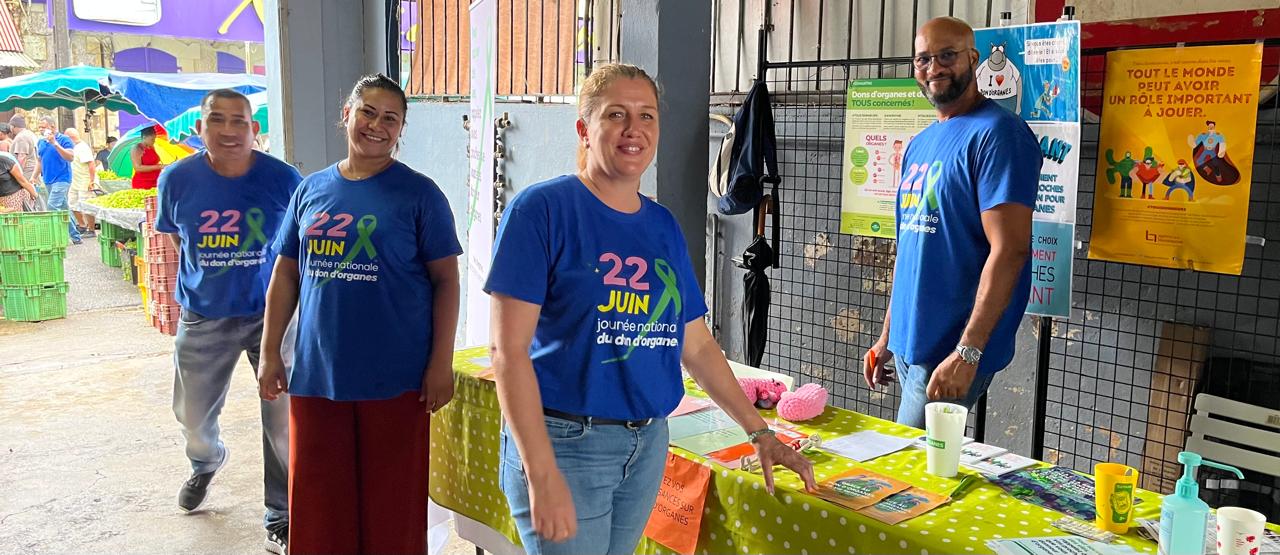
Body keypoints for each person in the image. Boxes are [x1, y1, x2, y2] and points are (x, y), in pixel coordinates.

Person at [486, 63, 816, 555]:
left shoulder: (661, 226)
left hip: (645, 445)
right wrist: (541, 470)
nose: (633, 129)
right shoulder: (544, 210)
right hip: (566, 443)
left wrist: (760, 432)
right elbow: (507, 352)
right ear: (584, 128)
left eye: (647, 116)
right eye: (616, 114)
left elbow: (698, 344)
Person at [258, 74, 461, 555]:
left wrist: (439, 363)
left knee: (392, 507)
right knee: (318, 503)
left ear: (401, 131)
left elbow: (447, 282)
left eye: (391, 118)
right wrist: (270, 352)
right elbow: (286, 275)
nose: (377, 125)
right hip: (317, 375)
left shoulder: (420, 195)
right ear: (346, 114)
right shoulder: (311, 190)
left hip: (396, 378)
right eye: (368, 111)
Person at [864, 17, 1040, 428]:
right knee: (918, 474)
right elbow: (912, 250)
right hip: (911, 347)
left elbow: (1010, 250)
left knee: (906, 480)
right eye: (924, 59)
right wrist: (889, 336)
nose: (935, 68)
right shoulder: (921, 143)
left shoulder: (1000, 135)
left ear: (973, 59)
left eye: (947, 56)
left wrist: (969, 353)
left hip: (952, 350)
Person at [153, 89, 301, 555]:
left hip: (271, 316)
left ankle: (281, 515)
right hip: (204, 317)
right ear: (200, 129)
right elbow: (177, 240)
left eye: (240, 121)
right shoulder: (176, 179)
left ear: (254, 130)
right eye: (217, 120)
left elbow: (298, 250)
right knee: (191, 415)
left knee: (282, 423)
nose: (229, 130)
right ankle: (206, 462)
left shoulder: (284, 179)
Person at [37, 116, 82, 244]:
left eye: (43, 127)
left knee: (52, 206)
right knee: (63, 208)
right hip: (48, 179)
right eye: (39, 127)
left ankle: (55, 237)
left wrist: (55, 143)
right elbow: (39, 160)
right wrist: (34, 176)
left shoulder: (64, 139)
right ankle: (75, 236)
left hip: (62, 178)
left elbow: (70, 157)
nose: (41, 130)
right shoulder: (41, 142)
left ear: (52, 127)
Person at [65, 128, 97, 237]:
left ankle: (91, 229)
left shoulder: (82, 147)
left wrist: (91, 181)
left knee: (86, 205)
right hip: (74, 181)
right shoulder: (71, 148)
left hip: (85, 180)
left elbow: (91, 164)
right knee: (72, 203)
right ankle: (82, 225)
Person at [0, 142, 38, 212]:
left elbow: (23, 181)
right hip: (2, 200)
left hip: (15, 196)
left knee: (16, 220)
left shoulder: (4, 160)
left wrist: (34, 195)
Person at [9, 115, 39, 185]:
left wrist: (18, 175)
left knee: (27, 195)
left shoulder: (21, 137)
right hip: (32, 172)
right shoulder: (30, 133)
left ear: (13, 126)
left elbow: (22, 157)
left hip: (26, 173)